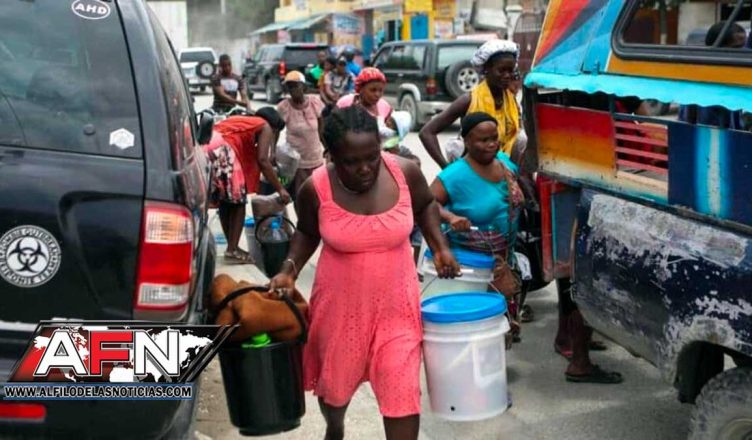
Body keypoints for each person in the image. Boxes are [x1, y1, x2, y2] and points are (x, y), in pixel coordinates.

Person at [270, 106, 460, 440]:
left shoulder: (405, 172)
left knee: (402, 393)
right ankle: (335, 428)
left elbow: (426, 205)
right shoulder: (315, 188)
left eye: (372, 157)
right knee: (335, 390)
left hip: (397, 310)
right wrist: (288, 270)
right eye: (351, 161)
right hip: (340, 310)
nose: (365, 168)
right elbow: (307, 232)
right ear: (332, 155)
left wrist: (440, 247)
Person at [429, 113, 525, 340]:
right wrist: (450, 217)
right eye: (483, 140)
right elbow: (427, 204)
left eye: (494, 138)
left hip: (503, 262)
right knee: (474, 329)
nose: (491, 144)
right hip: (471, 270)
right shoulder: (454, 175)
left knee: (500, 331)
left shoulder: (505, 163)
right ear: (467, 141)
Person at [204, 107, 290, 263]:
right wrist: (280, 189)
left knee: (226, 201)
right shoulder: (264, 125)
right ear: (274, 126)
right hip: (223, 148)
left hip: (207, 146)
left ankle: (232, 247)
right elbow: (263, 160)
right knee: (239, 201)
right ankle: (232, 250)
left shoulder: (244, 121)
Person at [420, 40, 521, 169]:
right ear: (486, 69)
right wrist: (446, 168)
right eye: (501, 70)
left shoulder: (511, 101)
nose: (507, 75)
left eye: (510, 71)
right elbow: (427, 132)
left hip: (506, 169)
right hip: (474, 170)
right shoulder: (468, 100)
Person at [679, 22, 746, 129]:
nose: (744, 53)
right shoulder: (704, 83)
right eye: (736, 48)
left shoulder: (736, 78)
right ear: (718, 50)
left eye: (744, 48)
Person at [277, 71, 326, 198]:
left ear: (304, 87)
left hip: (315, 158)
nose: (293, 90)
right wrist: (272, 153)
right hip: (296, 162)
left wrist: (327, 149)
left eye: (296, 86)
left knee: (318, 195)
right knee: (300, 196)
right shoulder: (284, 107)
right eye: (290, 87)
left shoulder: (315, 102)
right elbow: (275, 130)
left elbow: (322, 129)